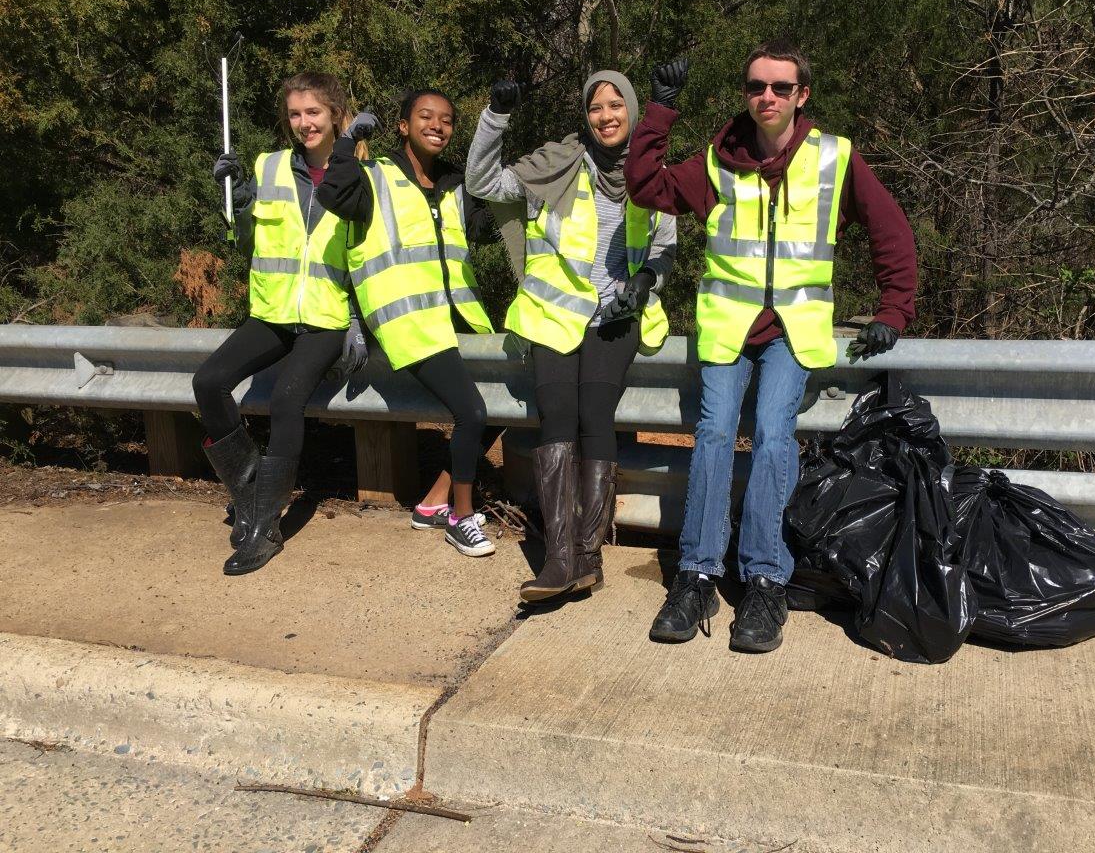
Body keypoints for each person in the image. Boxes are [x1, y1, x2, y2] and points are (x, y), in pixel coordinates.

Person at [625, 40, 918, 653]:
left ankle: (765, 581)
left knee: (772, 436)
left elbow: (890, 228)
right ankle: (697, 575)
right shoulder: (718, 160)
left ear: (801, 95)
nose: (768, 97)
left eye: (781, 88)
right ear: (746, 92)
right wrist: (659, 112)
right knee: (713, 433)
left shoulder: (834, 157)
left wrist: (894, 308)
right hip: (728, 324)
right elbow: (647, 187)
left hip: (793, 327)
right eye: (757, 86)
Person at [467, 71, 676, 602]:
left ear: (632, 110)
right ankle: (560, 560)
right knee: (557, 416)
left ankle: (588, 557)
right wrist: (495, 116)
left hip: (616, 318)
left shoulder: (651, 174)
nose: (605, 116)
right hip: (553, 313)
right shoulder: (556, 165)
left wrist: (646, 282)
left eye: (615, 105)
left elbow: (664, 249)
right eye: (595, 108)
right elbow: (482, 182)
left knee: (594, 416)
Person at [196, 71, 368, 576]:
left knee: (286, 400)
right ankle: (249, 495)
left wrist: (358, 320)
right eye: (295, 114)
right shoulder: (267, 167)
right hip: (272, 312)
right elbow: (247, 242)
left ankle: (264, 529)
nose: (304, 123)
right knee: (208, 382)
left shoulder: (360, 171)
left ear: (335, 115)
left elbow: (368, 251)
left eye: (313, 112)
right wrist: (238, 202)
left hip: (326, 317)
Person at [316, 88, 500, 557]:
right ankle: (460, 518)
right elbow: (332, 192)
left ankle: (434, 503)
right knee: (473, 412)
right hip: (408, 321)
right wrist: (346, 141)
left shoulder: (455, 183)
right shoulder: (374, 177)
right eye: (425, 117)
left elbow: (483, 229)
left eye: (446, 120)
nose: (437, 126)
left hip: (459, 314)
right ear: (403, 126)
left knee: (502, 404)